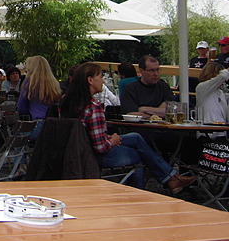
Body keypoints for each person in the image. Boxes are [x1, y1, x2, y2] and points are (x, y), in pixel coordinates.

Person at [60, 62, 194, 193]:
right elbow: (101, 147)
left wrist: (107, 137)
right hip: (91, 155)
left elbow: (81, 132)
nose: (103, 81)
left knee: (135, 137)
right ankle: (140, 194)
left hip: (74, 151)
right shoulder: (93, 108)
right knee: (138, 154)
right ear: (90, 80)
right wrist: (112, 141)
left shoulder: (66, 102)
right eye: (100, 77)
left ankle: (171, 178)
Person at [18, 55, 61, 122]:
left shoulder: (30, 83)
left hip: (36, 121)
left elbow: (21, 107)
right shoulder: (54, 83)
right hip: (53, 122)